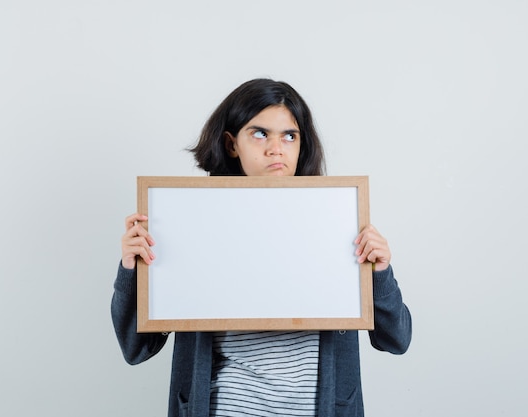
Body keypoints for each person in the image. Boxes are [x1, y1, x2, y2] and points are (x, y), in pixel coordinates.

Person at [111, 78, 412, 417]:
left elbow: (396, 338)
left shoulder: (337, 220)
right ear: (231, 144)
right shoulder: (187, 220)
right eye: (259, 133)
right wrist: (131, 270)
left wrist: (380, 272)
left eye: (289, 136)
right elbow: (136, 349)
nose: (276, 148)